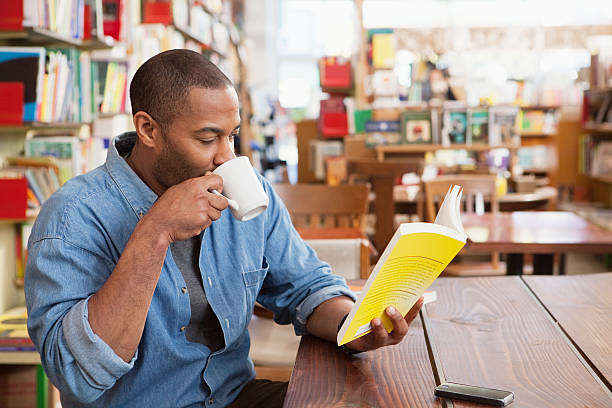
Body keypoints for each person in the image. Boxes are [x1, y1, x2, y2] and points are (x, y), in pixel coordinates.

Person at [25, 49, 423, 408]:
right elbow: (78, 376)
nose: (226, 157)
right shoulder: (72, 216)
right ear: (148, 130)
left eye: (231, 136)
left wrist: (353, 327)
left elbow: (306, 287)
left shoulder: (245, 191)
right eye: (207, 138)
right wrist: (156, 230)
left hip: (235, 396)